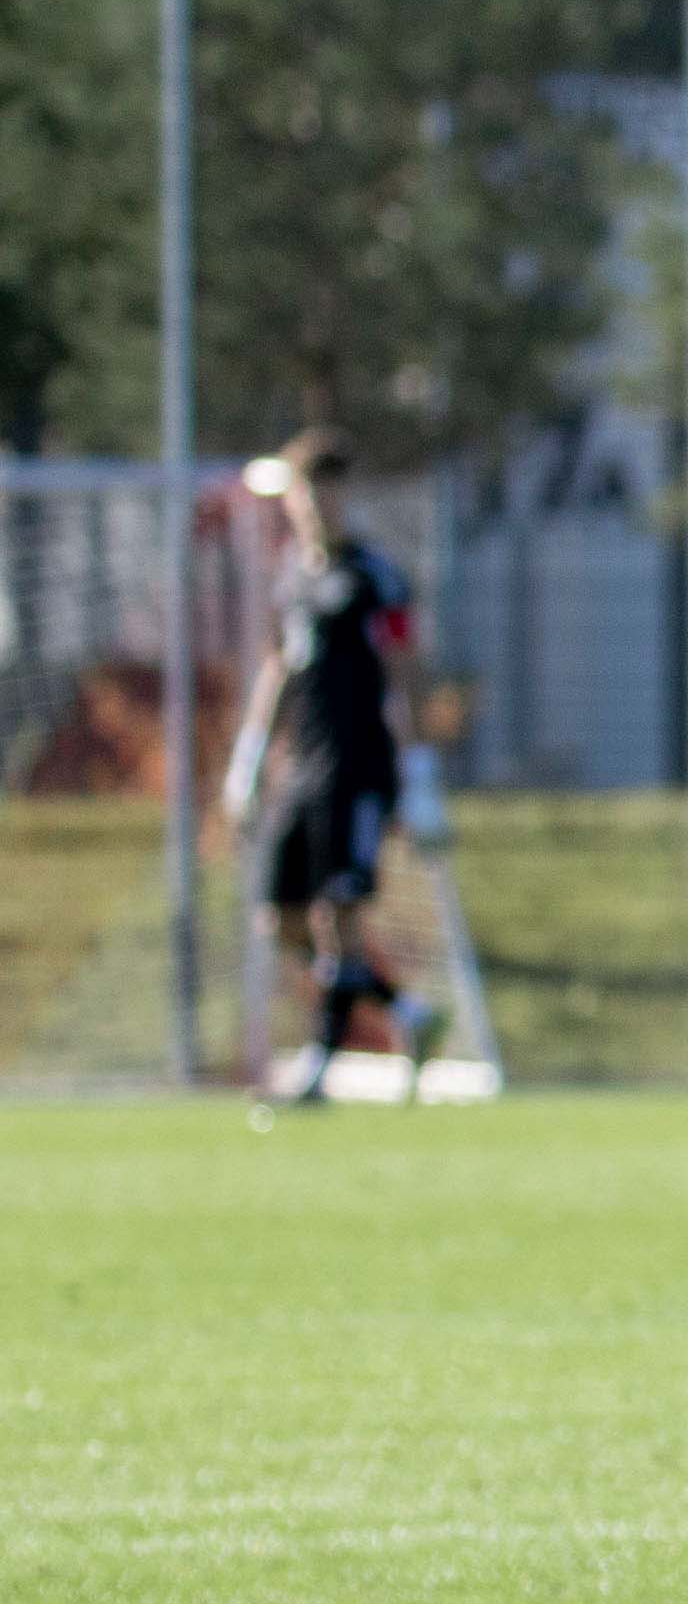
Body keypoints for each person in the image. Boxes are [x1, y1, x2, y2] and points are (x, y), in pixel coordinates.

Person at [222, 428, 448, 1104]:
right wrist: (249, 760)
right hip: (302, 768)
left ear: (343, 494)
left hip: (359, 767)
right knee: (282, 920)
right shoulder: (292, 576)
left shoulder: (375, 577)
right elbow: (277, 671)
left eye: (327, 487)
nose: (315, 503)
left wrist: (423, 772)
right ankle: (406, 1013)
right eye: (303, 489)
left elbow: (405, 671)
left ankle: (318, 1069)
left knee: (339, 915)